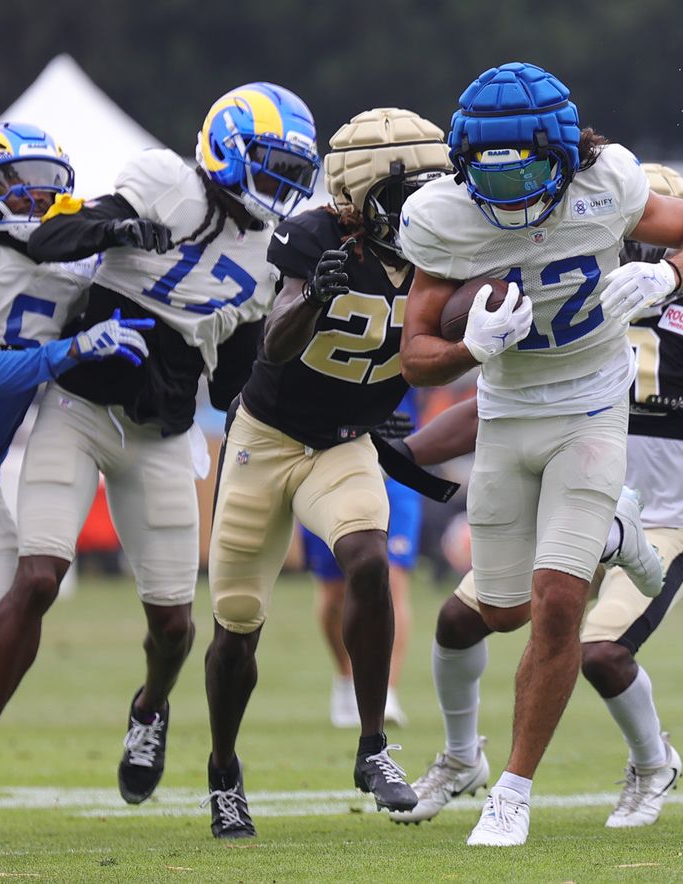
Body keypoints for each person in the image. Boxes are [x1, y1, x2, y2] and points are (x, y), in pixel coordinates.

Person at [398, 63, 683, 846]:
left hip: (591, 410)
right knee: (499, 610)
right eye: (491, 176)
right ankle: (618, 534)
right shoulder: (440, 215)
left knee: (559, 605)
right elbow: (415, 355)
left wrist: (666, 272)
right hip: (506, 413)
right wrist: (467, 347)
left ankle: (512, 791)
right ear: (463, 165)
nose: (510, 194)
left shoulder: (608, 182)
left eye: (530, 170)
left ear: (566, 153)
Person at [0, 83, 321, 840]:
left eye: (290, 169)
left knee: (175, 627)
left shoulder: (265, 255)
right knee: (38, 576)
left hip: (163, 433)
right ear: (228, 148)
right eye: (269, 164)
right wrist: (121, 228)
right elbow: (53, 238)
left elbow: (239, 373)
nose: (279, 185)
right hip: (79, 408)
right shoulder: (166, 182)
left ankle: (149, 710)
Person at [203, 107, 459, 838]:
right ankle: (224, 768)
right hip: (267, 438)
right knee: (237, 628)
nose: (419, 212)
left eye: (429, 193)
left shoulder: (448, 245)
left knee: (369, 559)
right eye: (402, 197)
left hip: (347, 442)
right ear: (357, 198)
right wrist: (316, 293)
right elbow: (277, 347)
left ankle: (373, 746)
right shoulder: (315, 233)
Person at [0, 123, 151, 785]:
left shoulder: (70, 275)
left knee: (4, 638)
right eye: (22, 181)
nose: (38, 195)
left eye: (51, 184)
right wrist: (69, 350)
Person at [303, 387, 425, 730]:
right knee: (333, 592)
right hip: (326, 457)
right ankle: (346, 678)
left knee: (393, 580)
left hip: (393, 456)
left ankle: (386, 691)